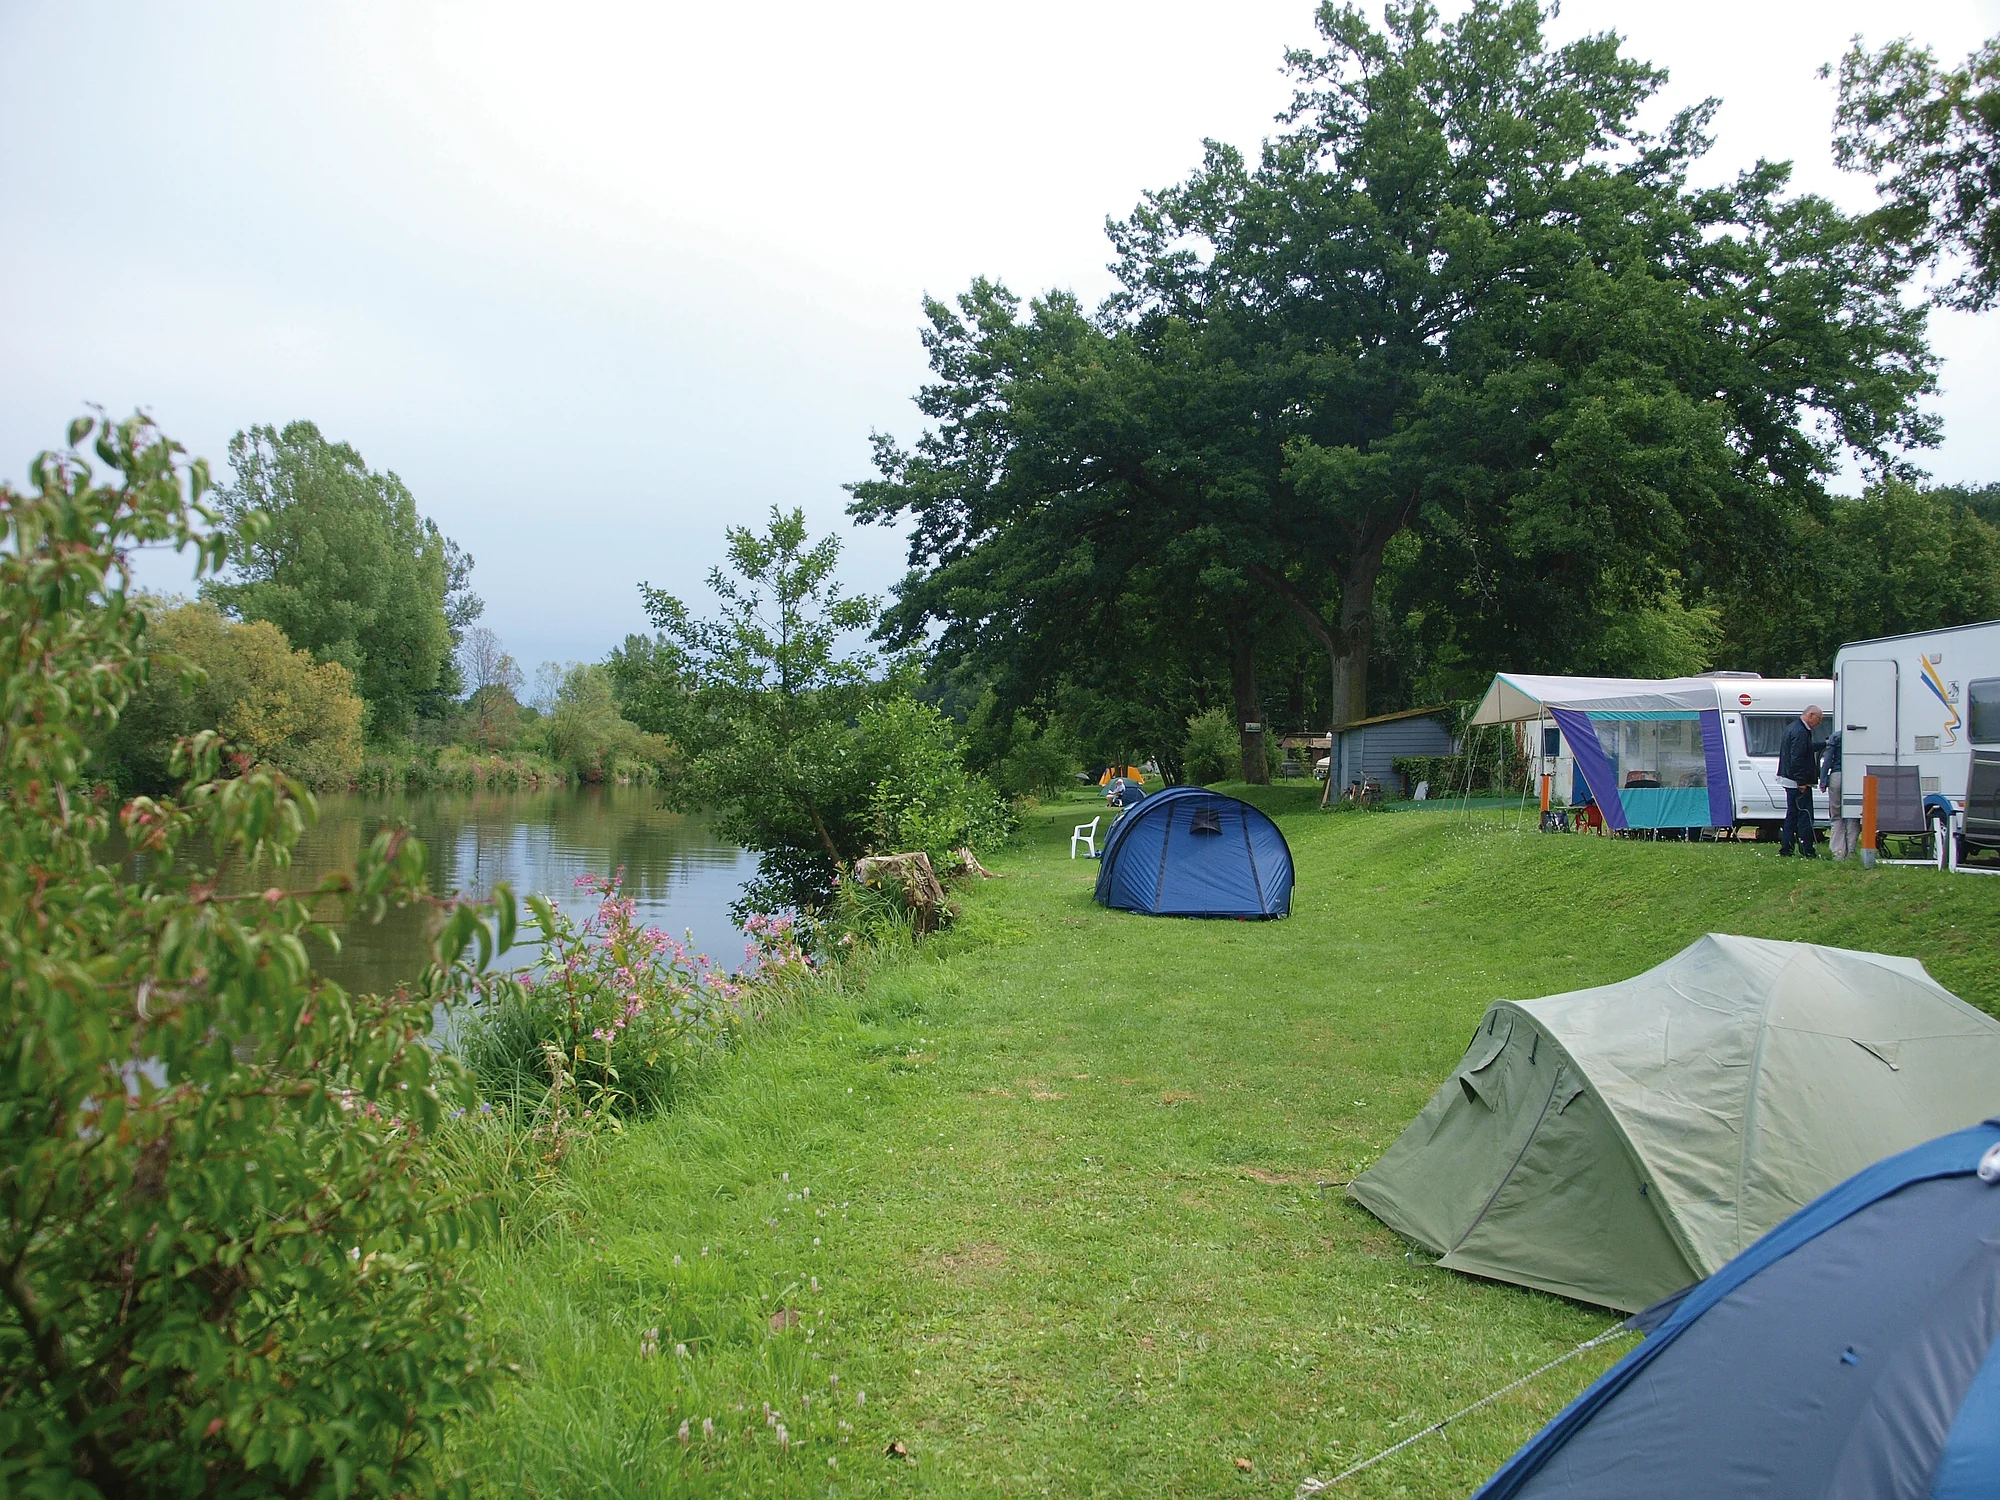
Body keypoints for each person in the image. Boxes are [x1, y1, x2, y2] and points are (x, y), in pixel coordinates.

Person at [1777, 706, 1824, 858]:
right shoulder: (1800, 732)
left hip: (1789, 779)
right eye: (1819, 719)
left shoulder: (1793, 728)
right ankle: (1806, 849)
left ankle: (1787, 848)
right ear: (1811, 715)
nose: (1819, 723)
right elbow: (1797, 758)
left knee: (1792, 815)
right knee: (1804, 815)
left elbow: (1806, 749)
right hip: (1796, 782)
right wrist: (1801, 781)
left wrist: (1824, 743)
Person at [1821, 728, 1854, 859]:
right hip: (1855, 776)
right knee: (1853, 815)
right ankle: (1851, 851)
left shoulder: (1836, 736)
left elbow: (1828, 759)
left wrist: (1823, 780)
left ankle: (1838, 852)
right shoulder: (1862, 735)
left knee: (1836, 815)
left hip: (1837, 775)